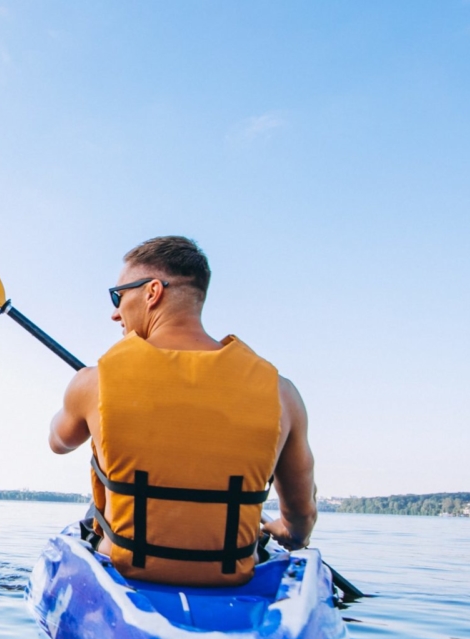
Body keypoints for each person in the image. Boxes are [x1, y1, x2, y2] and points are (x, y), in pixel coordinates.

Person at [47, 236, 316, 587]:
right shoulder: (282, 393)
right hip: (232, 580)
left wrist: (89, 386)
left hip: (125, 571)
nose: (115, 312)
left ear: (152, 292)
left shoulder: (93, 383)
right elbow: (302, 513)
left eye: (118, 296)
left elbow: (58, 441)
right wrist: (291, 533)